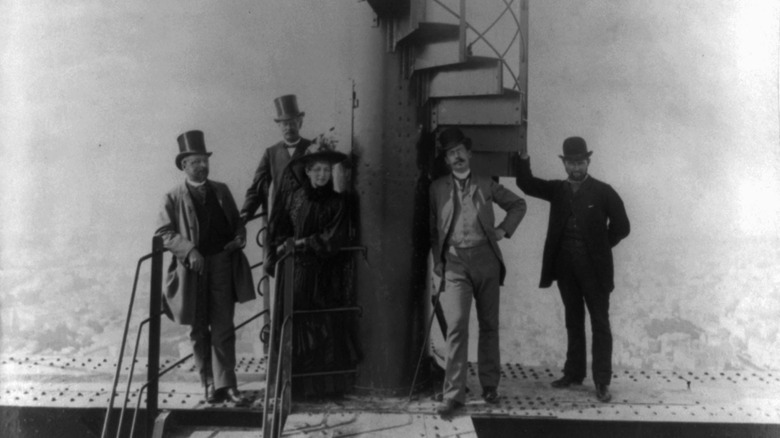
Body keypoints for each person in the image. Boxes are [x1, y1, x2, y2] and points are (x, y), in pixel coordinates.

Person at [515, 137, 630, 403]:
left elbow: (622, 226)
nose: (576, 167)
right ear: (564, 164)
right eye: (571, 163)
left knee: (600, 324)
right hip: (565, 268)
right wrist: (522, 160)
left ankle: (602, 381)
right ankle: (573, 373)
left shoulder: (604, 191)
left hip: (595, 271)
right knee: (573, 320)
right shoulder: (557, 190)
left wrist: (600, 247)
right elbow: (527, 184)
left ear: (588, 161)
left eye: (580, 162)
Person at [429, 127, 527, 417]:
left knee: (489, 324)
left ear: (469, 153)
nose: (456, 156)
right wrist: (438, 260)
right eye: (450, 153)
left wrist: (502, 230)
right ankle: (454, 395)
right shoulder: (436, 189)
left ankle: (490, 386)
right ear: (446, 160)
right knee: (457, 326)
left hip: (486, 261)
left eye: (460, 150)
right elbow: (433, 230)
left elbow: (518, 205)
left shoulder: (486, 183)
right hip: (455, 263)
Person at [155, 130, 256, 404]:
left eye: (204, 160)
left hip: (222, 264)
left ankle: (229, 385)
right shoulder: (172, 197)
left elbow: (236, 223)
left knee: (224, 325)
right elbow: (164, 233)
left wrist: (238, 238)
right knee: (199, 328)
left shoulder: (221, 190)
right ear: (184, 165)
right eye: (195, 161)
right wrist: (189, 251)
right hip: (192, 272)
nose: (202, 165)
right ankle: (209, 384)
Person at [266, 140, 359, 399]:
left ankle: (322, 388)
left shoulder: (338, 202)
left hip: (324, 273)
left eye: (326, 171)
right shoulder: (294, 197)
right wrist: (282, 247)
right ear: (307, 171)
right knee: (294, 323)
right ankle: (293, 386)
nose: (322, 175)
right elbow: (279, 227)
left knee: (322, 327)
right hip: (293, 272)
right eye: (316, 170)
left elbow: (332, 238)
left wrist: (300, 243)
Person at [240, 94, 312, 224]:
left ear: (300, 123)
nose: (288, 128)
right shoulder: (271, 153)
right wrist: (246, 210)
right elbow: (258, 187)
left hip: (308, 217)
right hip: (280, 219)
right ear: (278, 126)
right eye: (284, 124)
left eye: (292, 123)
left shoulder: (313, 148)